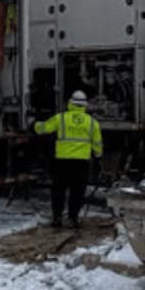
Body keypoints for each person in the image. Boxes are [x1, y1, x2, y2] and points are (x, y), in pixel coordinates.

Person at [34, 91, 103, 228]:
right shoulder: (92, 123)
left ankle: (57, 218)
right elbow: (97, 144)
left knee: (58, 190)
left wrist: (34, 124)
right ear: (85, 105)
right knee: (77, 192)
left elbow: (44, 128)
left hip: (62, 162)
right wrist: (98, 158)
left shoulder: (61, 118)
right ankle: (73, 218)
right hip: (81, 163)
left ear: (70, 103)